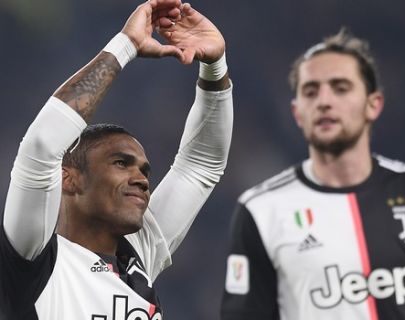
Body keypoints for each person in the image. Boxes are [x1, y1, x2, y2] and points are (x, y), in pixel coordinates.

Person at [220, 29, 405, 320]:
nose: (324, 101)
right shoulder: (261, 209)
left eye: (340, 88)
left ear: (374, 104)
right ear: (296, 112)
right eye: (311, 91)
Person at [0, 0, 233, 319]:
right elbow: (41, 146)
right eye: (121, 163)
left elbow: (200, 165)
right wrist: (127, 44)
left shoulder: (138, 255)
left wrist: (215, 65)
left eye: (144, 170)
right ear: (69, 178)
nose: (142, 178)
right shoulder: (34, 257)